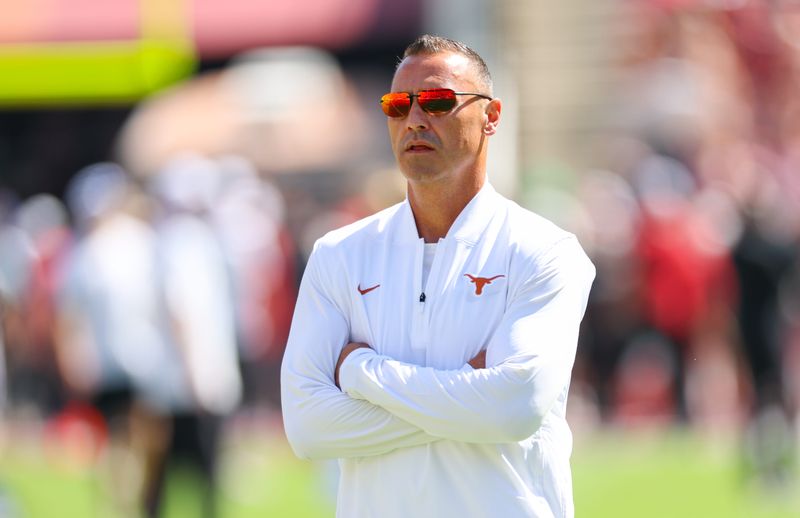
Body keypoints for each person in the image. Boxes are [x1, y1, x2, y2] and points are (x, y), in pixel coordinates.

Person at [280, 35, 596, 518]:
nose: (414, 119)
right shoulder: (338, 254)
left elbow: (515, 408)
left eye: (437, 101)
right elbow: (307, 428)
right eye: (397, 105)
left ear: (491, 117)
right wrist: (469, 396)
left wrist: (362, 372)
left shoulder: (544, 251)